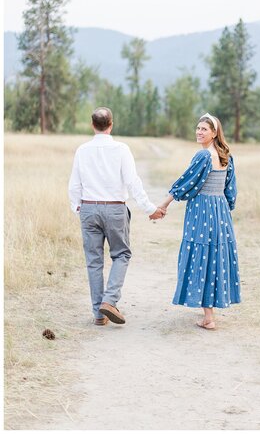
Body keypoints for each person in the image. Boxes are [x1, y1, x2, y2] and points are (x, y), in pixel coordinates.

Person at [68, 107, 166, 326]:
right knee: (121, 255)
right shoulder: (121, 149)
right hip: (114, 208)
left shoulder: (82, 150)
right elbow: (133, 182)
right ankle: (110, 301)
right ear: (111, 125)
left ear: (92, 125)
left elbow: (74, 183)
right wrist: (149, 209)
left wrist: (77, 208)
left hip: (89, 208)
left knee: (93, 261)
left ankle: (99, 314)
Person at [159, 112, 241, 329]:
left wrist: (165, 203)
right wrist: (224, 209)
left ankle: (208, 317)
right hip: (220, 211)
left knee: (202, 256)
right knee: (215, 255)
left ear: (214, 133)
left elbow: (186, 183)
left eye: (204, 129)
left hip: (202, 211)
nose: (199, 132)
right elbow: (230, 191)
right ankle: (209, 314)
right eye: (198, 128)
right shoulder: (226, 156)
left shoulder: (203, 157)